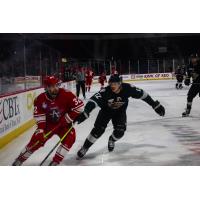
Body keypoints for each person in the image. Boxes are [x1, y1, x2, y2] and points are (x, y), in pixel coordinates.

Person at [75, 74, 165, 159]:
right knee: (97, 131)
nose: (112, 86)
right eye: (111, 84)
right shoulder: (105, 91)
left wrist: (154, 104)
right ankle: (85, 147)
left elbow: (143, 94)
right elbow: (93, 100)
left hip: (120, 112)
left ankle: (112, 140)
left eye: (115, 84)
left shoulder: (128, 88)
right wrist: (86, 112)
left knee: (120, 132)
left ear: (120, 84)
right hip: (105, 112)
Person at [12, 76, 84, 166]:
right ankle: (19, 159)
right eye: (52, 86)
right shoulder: (40, 99)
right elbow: (40, 117)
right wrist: (41, 130)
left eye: (56, 85)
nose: (55, 88)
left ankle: (55, 161)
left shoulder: (66, 94)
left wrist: (67, 119)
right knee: (36, 141)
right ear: (46, 88)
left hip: (64, 125)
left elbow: (80, 107)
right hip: (48, 125)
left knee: (70, 139)